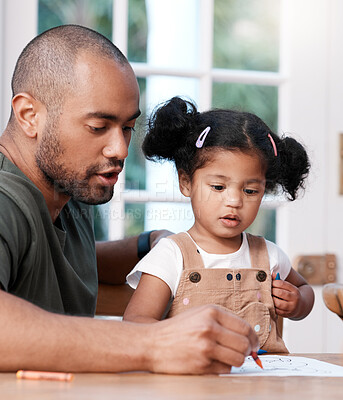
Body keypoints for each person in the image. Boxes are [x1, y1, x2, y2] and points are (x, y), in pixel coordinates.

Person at [0, 25, 259, 374]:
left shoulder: (68, 189)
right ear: (29, 115)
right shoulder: (5, 198)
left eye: (126, 127)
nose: (120, 149)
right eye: (97, 126)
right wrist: (154, 344)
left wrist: (147, 245)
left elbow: (43, 256)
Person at [124, 97, 315, 352]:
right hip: (196, 384)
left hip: (263, 385)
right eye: (218, 187)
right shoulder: (172, 255)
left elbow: (304, 289)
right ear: (186, 182)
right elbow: (135, 322)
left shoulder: (267, 254)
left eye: (250, 190)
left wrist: (298, 303)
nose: (234, 201)